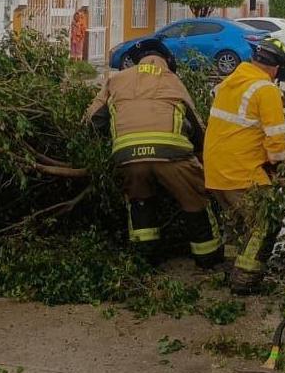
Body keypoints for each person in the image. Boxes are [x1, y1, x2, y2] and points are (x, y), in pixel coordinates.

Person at [84, 38, 223, 267]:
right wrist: (202, 158)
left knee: (139, 200)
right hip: (172, 155)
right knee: (194, 200)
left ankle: (145, 256)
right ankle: (207, 257)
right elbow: (196, 127)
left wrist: (103, 147)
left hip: (128, 156)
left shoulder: (116, 80)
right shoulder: (172, 80)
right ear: (167, 61)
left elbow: (92, 120)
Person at [203, 37, 285, 293]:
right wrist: (281, 169)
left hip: (215, 173)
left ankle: (231, 267)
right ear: (275, 68)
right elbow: (276, 142)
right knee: (267, 221)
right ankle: (244, 279)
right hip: (241, 173)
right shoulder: (265, 90)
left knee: (237, 223)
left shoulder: (229, 81)